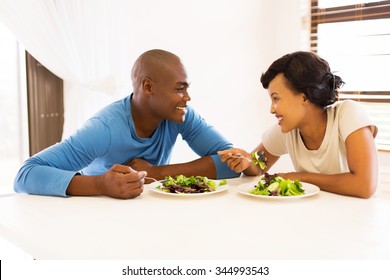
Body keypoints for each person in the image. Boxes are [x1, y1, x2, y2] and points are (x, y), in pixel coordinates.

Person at [14, 49, 239, 199]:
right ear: (148, 87)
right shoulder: (104, 128)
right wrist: (100, 185)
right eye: (179, 89)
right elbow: (25, 175)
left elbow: (230, 161)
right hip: (98, 219)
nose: (187, 97)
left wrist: (156, 172)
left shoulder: (180, 115)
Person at [218, 51, 378, 199]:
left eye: (276, 98)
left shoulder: (348, 114)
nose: (271, 109)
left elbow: (364, 185)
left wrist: (300, 177)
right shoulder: (287, 129)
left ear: (304, 97)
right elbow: (259, 163)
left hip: (356, 219)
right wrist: (246, 160)